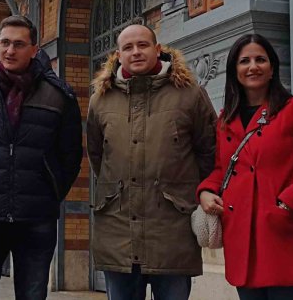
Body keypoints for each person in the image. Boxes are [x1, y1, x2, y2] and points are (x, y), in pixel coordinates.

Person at [0, 14, 83, 300]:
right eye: (5, 43)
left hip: (36, 216)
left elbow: (71, 155)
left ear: (35, 50)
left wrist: (49, 190)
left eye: (19, 44)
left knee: (32, 294)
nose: (10, 50)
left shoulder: (60, 95)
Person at [88, 21, 217, 300]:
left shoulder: (190, 95)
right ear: (118, 55)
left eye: (143, 45)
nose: (136, 52)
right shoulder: (100, 100)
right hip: (117, 230)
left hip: (172, 231)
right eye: (128, 47)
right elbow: (98, 156)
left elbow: (209, 151)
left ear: (158, 50)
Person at [196, 34, 293, 300]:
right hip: (241, 231)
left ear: (272, 68)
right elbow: (222, 169)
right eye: (245, 61)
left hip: (283, 231)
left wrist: (288, 202)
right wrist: (205, 192)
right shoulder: (225, 120)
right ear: (235, 70)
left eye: (260, 60)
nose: (253, 66)